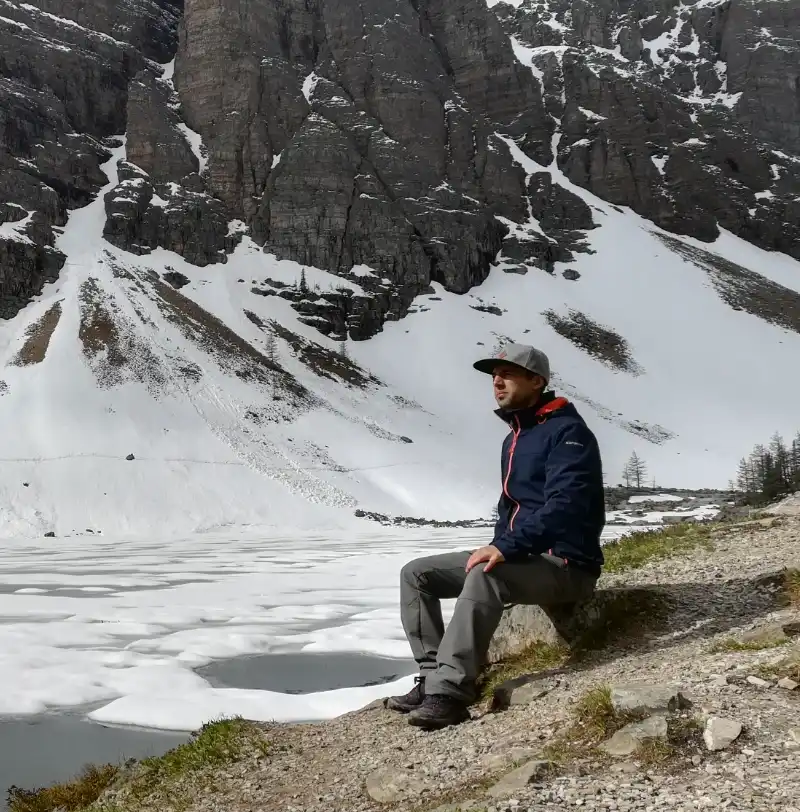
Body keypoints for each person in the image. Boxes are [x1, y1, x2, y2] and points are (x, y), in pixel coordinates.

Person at [387, 343, 605, 730]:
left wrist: (505, 548)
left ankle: (451, 694)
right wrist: (502, 544)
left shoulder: (568, 433)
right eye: (493, 376)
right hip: (527, 557)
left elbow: (566, 507)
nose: (497, 382)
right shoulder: (517, 436)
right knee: (416, 574)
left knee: (487, 574)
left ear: (537, 381)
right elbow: (511, 510)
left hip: (567, 565)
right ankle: (431, 676)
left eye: (507, 373)